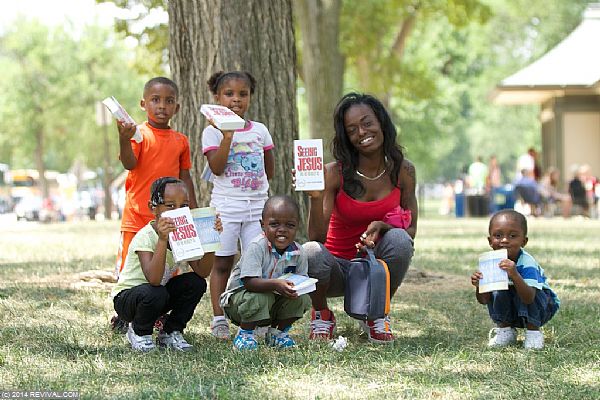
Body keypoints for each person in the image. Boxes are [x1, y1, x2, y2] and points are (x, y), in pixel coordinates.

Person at [302, 93, 416, 344]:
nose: (362, 132)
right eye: (352, 129)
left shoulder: (403, 171)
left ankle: (375, 314)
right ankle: (322, 314)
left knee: (399, 239)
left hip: (373, 269)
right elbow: (316, 239)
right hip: (336, 269)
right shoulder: (334, 173)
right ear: (346, 137)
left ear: (382, 122)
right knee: (310, 251)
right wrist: (315, 197)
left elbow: (411, 231)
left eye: (367, 123)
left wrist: (384, 226)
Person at [111, 77, 198, 332]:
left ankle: (157, 314)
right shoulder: (138, 134)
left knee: (167, 269)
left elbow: (185, 176)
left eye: (169, 101)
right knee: (130, 268)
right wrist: (123, 139)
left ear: (177, 107)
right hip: (136, 215)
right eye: (155, 100)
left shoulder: (181, 140)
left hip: (167, 217)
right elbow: (128, 163)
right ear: (143, 103)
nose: (162, 106)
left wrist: (190, 208)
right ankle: (124, 313)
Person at [202, 71, 275, 339]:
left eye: (242, 94)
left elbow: (270, 170)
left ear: (250, 97)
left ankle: (258, 317)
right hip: (226, 208)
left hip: (257, 209)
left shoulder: (260, 130)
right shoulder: (211, 133)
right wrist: (227, 136)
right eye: (229, 94)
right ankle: (219, 318)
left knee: (256, 263)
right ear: (217, 98)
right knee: (222, 263)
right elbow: (217, 168)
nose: (236, 99)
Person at [112, 177, 221, 352]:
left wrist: (211, 240)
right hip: (128, 300)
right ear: (153, 208)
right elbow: (154, 279)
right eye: (170, 206)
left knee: (195, 283)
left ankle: (170, 332)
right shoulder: (146, 236)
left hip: (156, 296)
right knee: (155, 291)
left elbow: (202, 271)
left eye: (184, 206)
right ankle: (139, 332)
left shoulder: (183, 233)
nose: (178, 212)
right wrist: (163, 239)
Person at [220, 195, 311, 350]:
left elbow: (301, 280)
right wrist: (276, 284)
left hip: (272, 304)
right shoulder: (257, 247)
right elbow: (249, 282)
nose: (282, 230)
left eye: (289, 225)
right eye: (274, 224)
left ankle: (278, 334)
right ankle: (245, 334)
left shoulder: (299, 252)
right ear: (263, 225)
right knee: (261, 296)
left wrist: (297, 288)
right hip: (241, 303)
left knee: (302, 298)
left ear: (297, 226)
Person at [470, 210, 559, 349]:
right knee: (498, 290)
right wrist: (479, 285)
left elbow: (529, 298)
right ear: (490, 241)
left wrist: (515, 274)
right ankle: (506, 330)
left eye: (512, 236)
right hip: (515, 307)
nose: (504, 240)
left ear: (524, 241)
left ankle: (533, 332)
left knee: (530, 290)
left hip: (542, 306)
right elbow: (484, 300)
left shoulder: (527, 263)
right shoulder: (490, 263)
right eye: (498, 235)